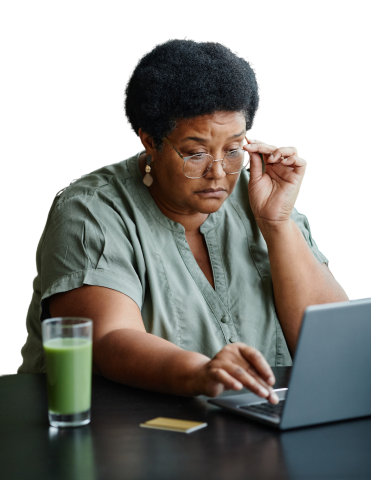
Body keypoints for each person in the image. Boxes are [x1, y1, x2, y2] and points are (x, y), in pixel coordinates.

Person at [19, 40, 348, 404]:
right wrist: (200, 372)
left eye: (234, 149)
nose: (219, 172)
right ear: (150, 141)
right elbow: (109, 339)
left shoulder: (259, 196)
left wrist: (278, 222)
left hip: (249, 429)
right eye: (195, 153)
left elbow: (334, 348)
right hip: (118, 434)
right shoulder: (90, 212)